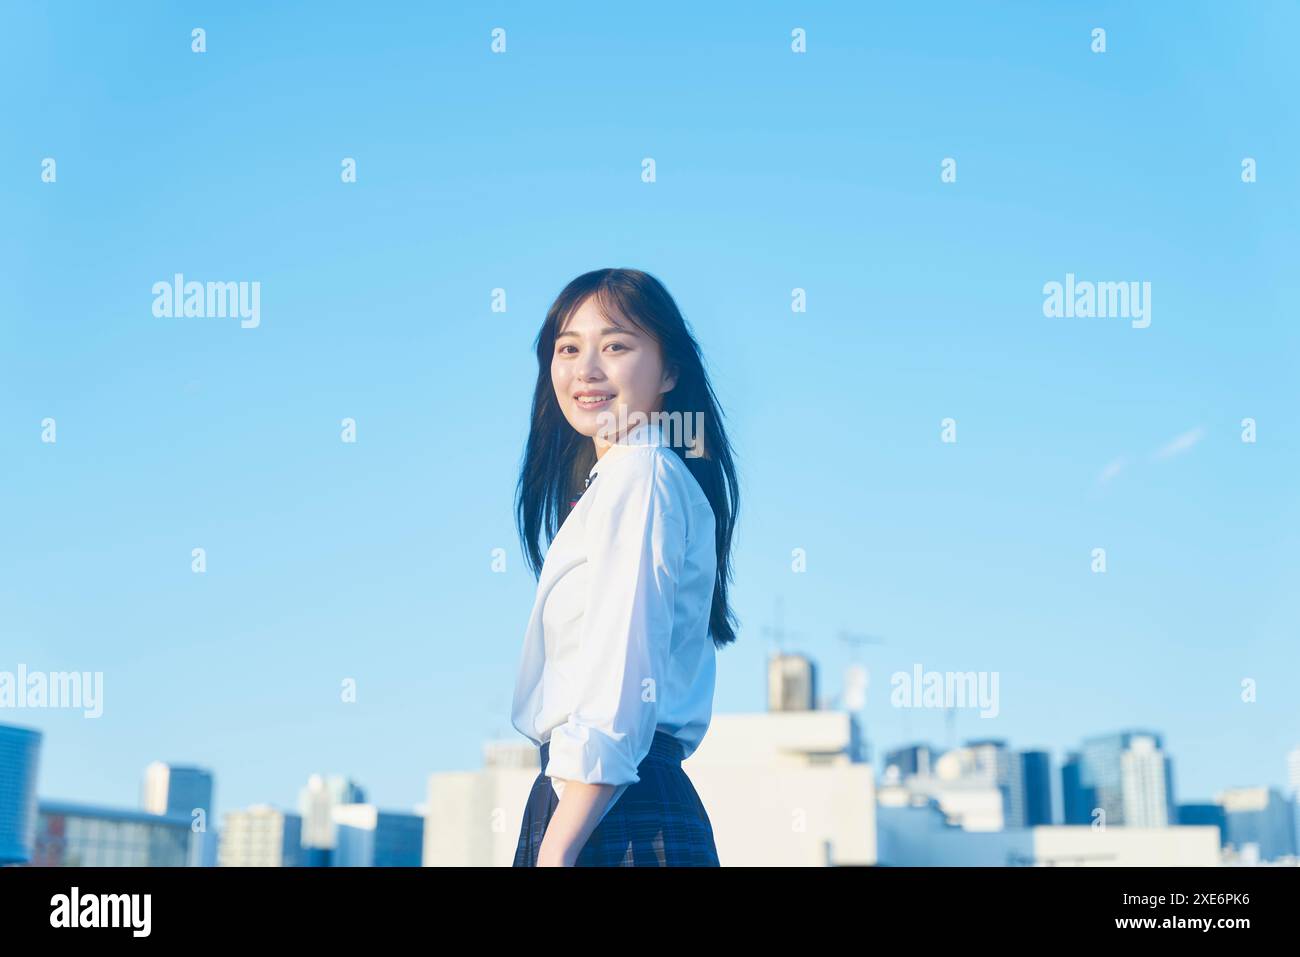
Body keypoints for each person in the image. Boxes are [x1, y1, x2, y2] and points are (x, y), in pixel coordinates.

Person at [511, 268, 740, 866]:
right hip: (597, 800)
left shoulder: (641, 474)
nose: (586, 369)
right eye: (568, 348)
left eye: (615, 345)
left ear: (669, 372)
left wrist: (555, 853)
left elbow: (619, 693)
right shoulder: (616, 482)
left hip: (611, 809)